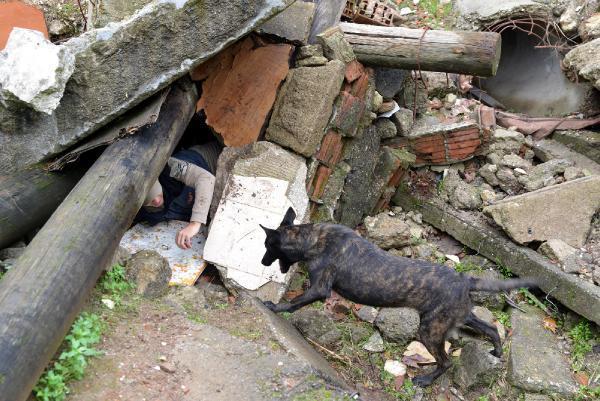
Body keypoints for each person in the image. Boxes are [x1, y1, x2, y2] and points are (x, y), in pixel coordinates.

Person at [136, 141, 221, 249]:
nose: (157, 201)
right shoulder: (139, 209)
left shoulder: (171, 166)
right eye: (150, 202)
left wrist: (195, 223)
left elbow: (206, 180)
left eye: (157, 194)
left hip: (214, 163)